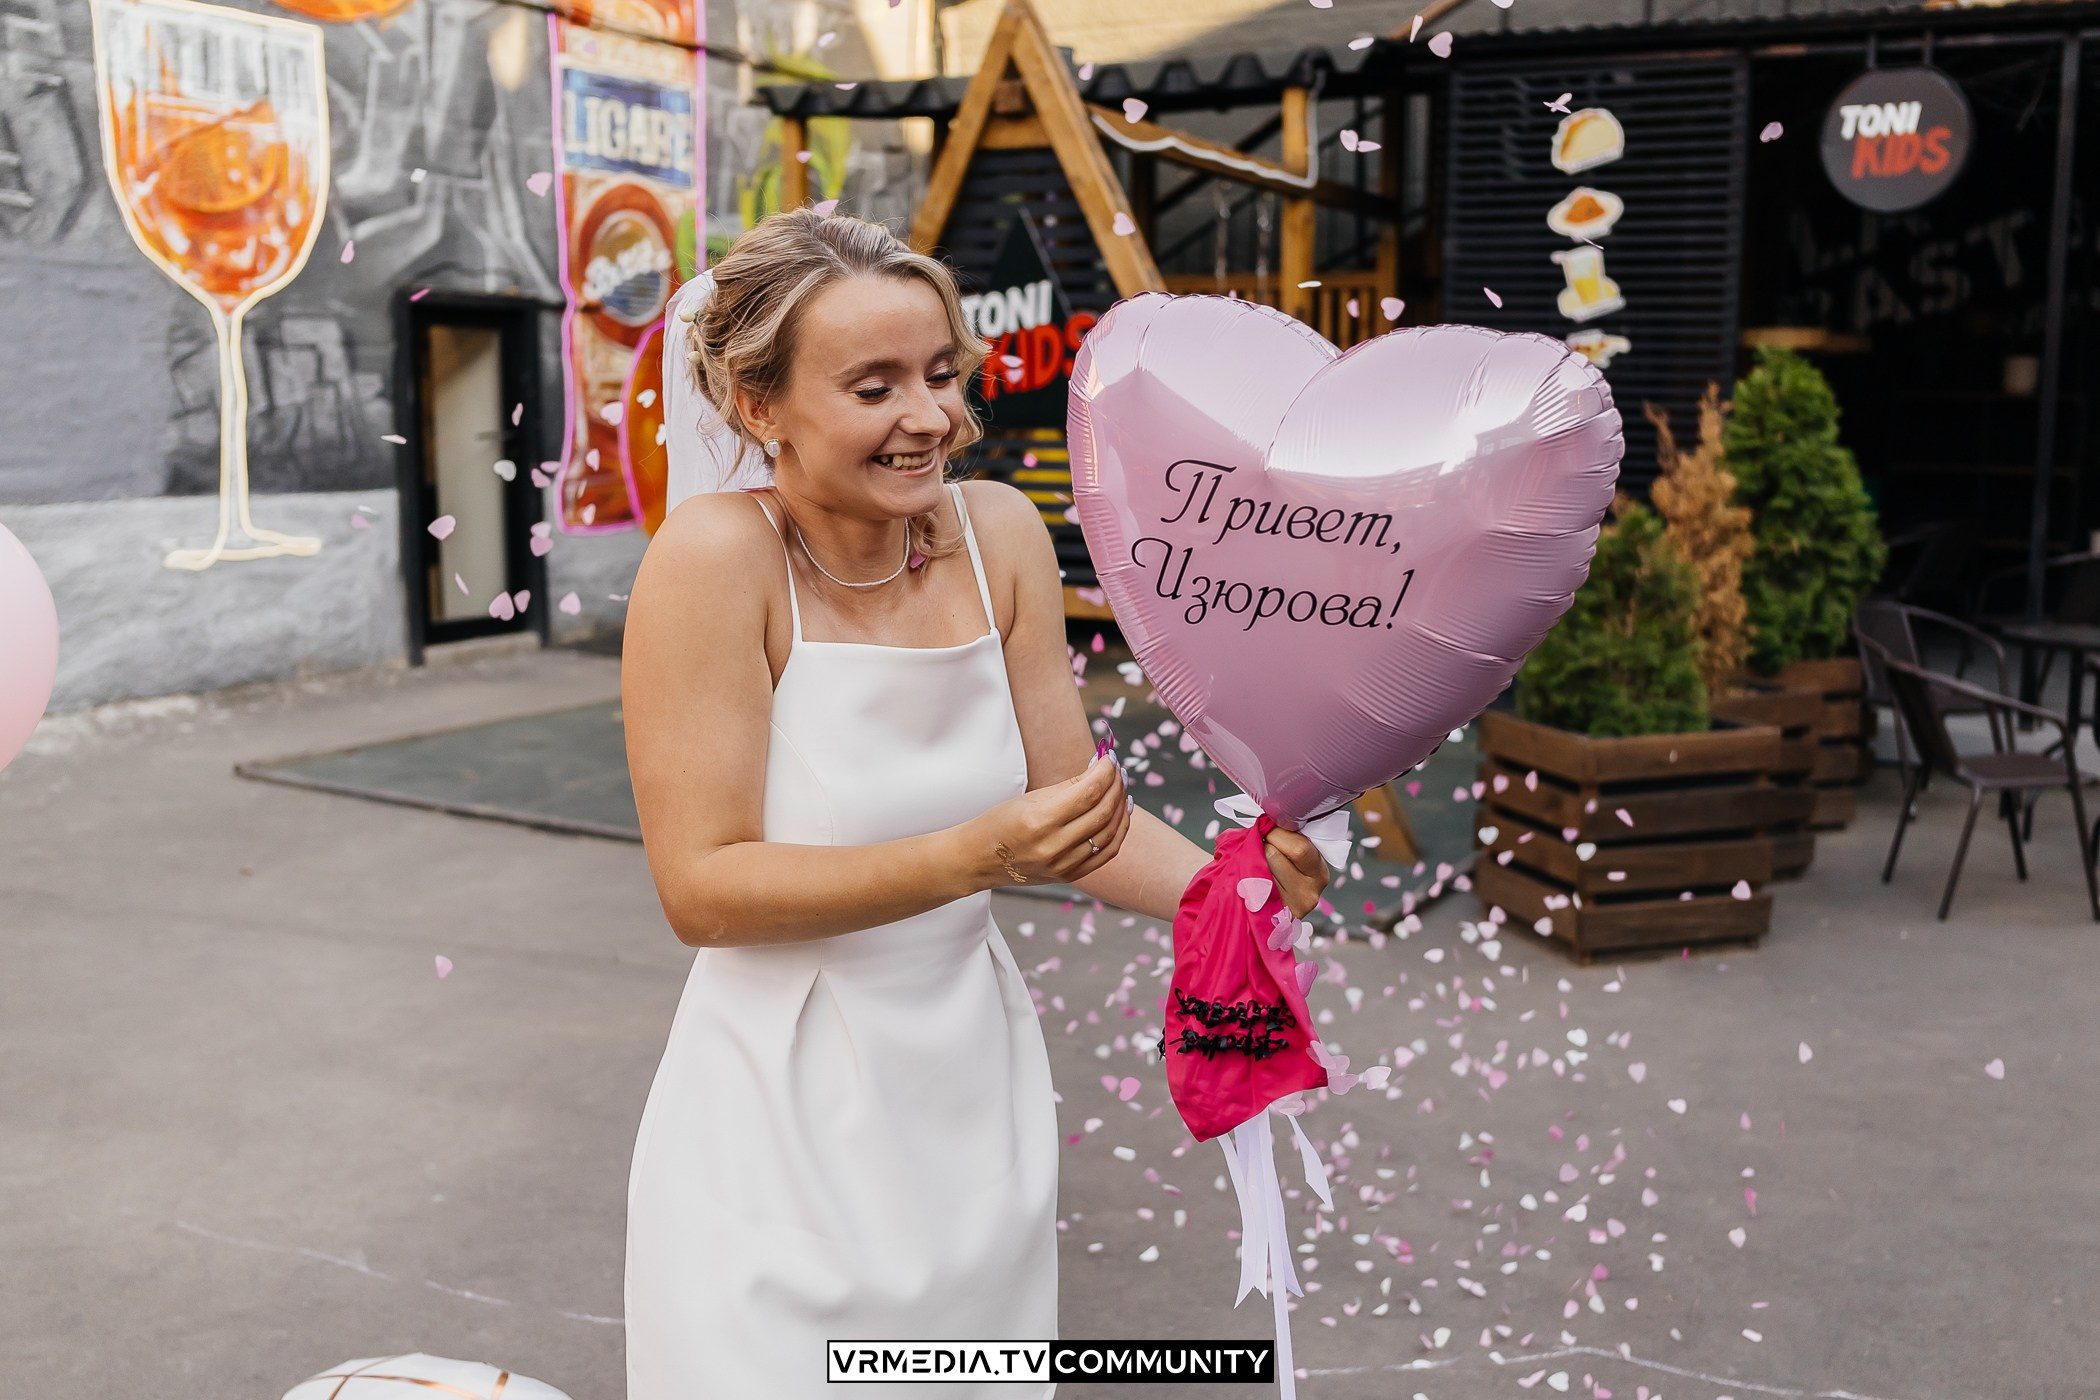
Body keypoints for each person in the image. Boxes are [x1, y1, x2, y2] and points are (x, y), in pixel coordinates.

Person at [619, 207, 1332, 1398]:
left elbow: (1068, 810)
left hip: (967, 1102)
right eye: (874, 384)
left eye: (944, 373)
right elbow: (702, 886)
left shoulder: (997, 531)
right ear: (760, 407)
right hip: (778, 1109)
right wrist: (969, 853)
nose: (931, 416)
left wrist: (1233, 884)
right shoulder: (713, 560)